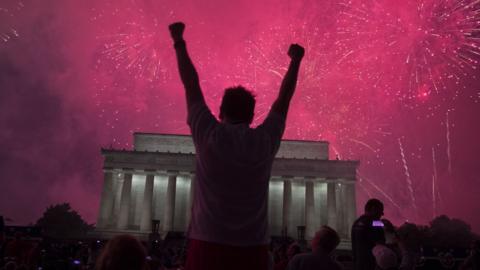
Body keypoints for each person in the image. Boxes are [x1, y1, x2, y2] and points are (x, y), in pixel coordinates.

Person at [168, 22, 304, 270]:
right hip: (252, 247)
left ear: (220, 111)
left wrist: (178, 41)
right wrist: (296, 61)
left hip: (207, 242)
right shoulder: (264, 141)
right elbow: (284, 99)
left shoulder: (207, 134)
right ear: (252, 116)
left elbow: (191, 84)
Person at [351, 198, 386, 270]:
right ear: (373, 209)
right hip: (372, 265)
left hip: (358, 265)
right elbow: (381, 245)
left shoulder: (356, 223)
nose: (381, 215)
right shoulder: (376, 223)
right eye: (380, 212)